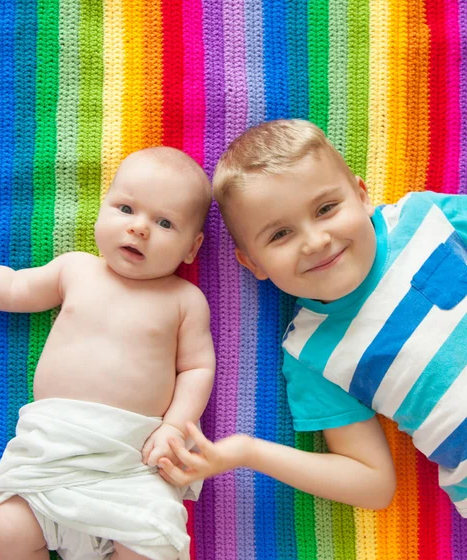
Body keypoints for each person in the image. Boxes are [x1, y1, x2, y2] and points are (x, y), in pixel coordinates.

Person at [0, 147, 216, 560]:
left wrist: (175, 427)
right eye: (126, 208)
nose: (140, 228)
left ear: (191, 248)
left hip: (133, 459)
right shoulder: (77, 269)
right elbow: (14, 287)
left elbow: (196, 367)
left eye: (164, 222)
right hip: (52, 446)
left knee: (152, 543)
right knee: (10, 527)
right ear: (101, 210)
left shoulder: (184, 299)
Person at [159, 119, 467, 519]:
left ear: (360, 195)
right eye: (280, 234)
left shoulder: (426, 216)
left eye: (325, 209)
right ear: (253, 263)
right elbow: (373, 485)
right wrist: (247, 451)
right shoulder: (310, 353)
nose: (316, 241)